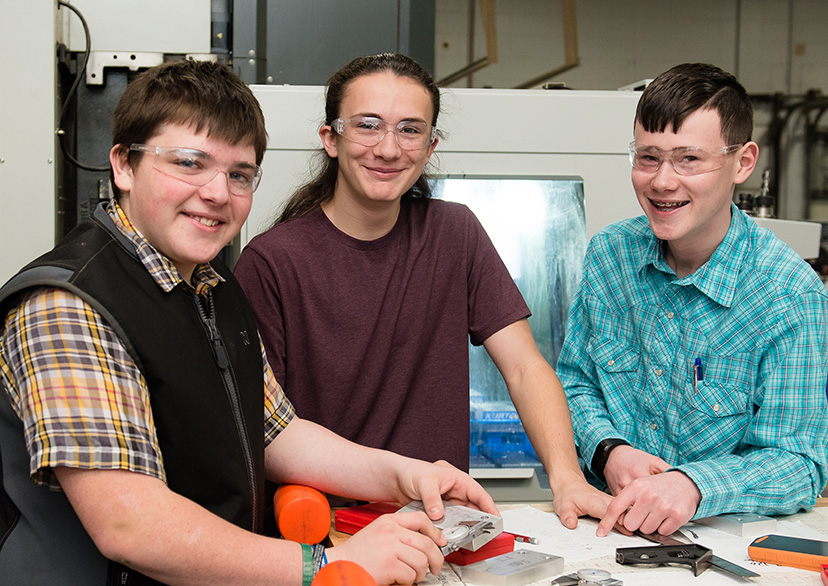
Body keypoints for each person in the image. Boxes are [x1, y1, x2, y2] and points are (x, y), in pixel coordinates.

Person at [0, 59, 499, 586]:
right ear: (123, 165)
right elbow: (130, 524)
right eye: (190, 163)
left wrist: (402, 474)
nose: (218, 193)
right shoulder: (67, 304)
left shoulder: (212, 288)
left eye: (239, 175)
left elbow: (276, 433)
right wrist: (327, 565)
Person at [234, 52, 611, 529]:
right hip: (326, 536)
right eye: (368, 125)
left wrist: (567, 476)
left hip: (441, 528)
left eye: (410, 130)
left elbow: (523, 367)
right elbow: (268, 434)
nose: (389, 149)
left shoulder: (456, 233)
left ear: (430, 147)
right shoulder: (272, 262)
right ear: (331, 138)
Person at [557, 62, 828, 538]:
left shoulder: (789, 294)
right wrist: (608, 449)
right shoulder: (610, 256)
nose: (662, 182)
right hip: (606, 533)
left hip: (725, 539)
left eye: (688, 159)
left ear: (743, 163)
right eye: (648, 158)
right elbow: (575, 384)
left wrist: (695, 485)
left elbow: (800, 463)